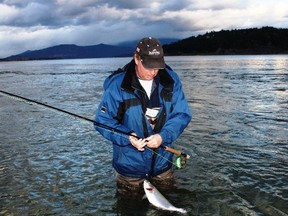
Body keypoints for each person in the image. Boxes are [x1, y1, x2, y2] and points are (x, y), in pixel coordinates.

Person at [94, 37, 192, 197]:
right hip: (129, 170)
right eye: (149, 67)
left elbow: (182, 114)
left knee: (172, 204)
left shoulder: (171, 80)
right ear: (137, 59)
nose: (153, 72)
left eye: (157, 67)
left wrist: (162, 137)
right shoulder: (117, 86)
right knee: (130, 208)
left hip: (162, 166)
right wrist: (127, 137)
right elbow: (102, 121)